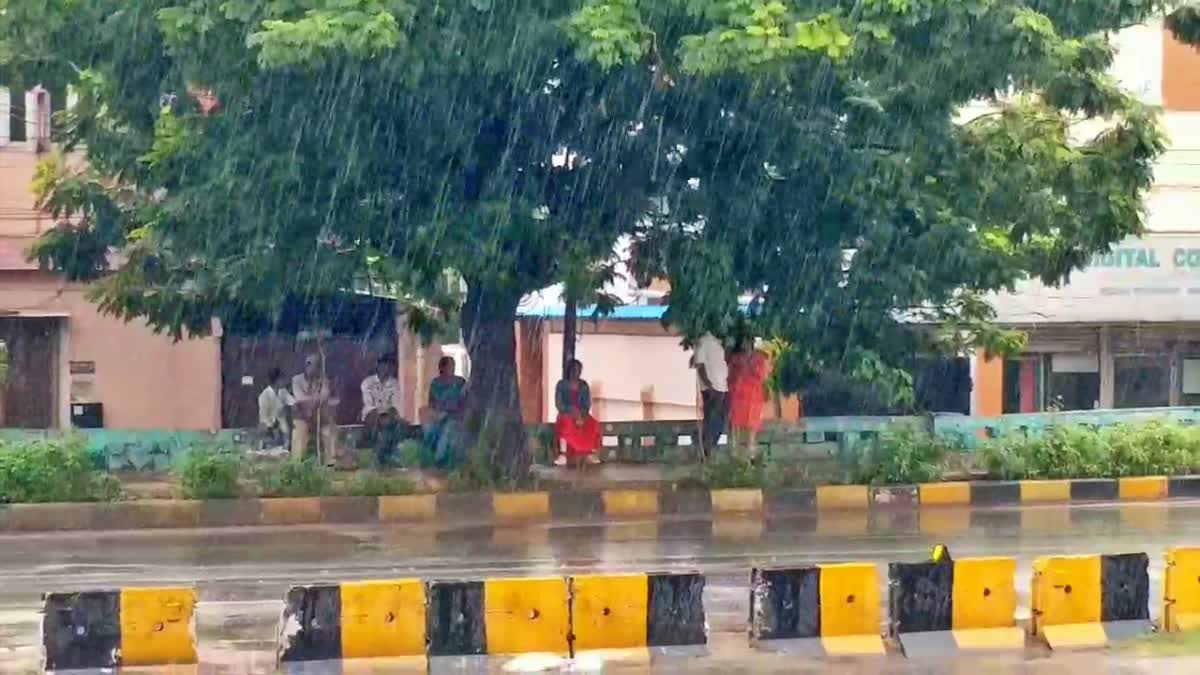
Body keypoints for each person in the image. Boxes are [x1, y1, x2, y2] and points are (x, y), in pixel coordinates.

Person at [291, 353, 340, 464]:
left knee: (330, 427)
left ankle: (331, 461)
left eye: (318, 365)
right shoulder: (296, 380)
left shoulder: (324, 380)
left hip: (319, 415)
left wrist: (313, 403)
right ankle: (297, 463)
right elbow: (300, 399)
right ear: (306, 365)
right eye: (312, 365)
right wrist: (315, 400)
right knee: (299, 430)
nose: (315, 368)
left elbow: (325, 396)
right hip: (302, 416)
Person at [727, 336, 771, 458]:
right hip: (738, 396)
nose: (745, 345)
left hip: (753, 397)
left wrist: (750, 367)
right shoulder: (736, 358)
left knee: (751, 429)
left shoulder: (759, 358)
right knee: (735, 428)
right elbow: (730, 375)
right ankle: (735, 456)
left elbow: (763, 376)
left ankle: (750, 457)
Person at [553, 359, 602, 466]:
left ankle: (590, 452)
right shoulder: (561, 385)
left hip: (581, 414)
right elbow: (559, 403)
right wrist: (571, 411)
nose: (576, 372)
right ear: (569, 371)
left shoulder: (583, 385)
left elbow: (587, 403)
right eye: (574, 370)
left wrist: (582, 415)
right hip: (566, 413)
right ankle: (563, 454)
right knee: (566, 424)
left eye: (578, 370)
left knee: (593, 424)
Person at [424, 356, 467, 470]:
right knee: (428, 428)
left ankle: (439, 460)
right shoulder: (436, 383)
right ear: (442, 368)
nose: (452, 368)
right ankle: (426, 457)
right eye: (449, 366)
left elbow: (464, 404)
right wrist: (436, 413)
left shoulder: (460, 383)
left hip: (455, 417)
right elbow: (432, 403)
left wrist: (449, 413)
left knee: (447, 432)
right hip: (438, 415)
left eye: (453, 366)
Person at [361, 355, 405, 466]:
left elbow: (395, 404)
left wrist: (387, 413)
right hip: (371, 414)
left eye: (387, 367)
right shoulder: (367, 382)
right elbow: (369, 403)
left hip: (389, 415)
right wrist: (381, 413)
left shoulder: (394, 383)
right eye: (382, 366)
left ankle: (389, 454)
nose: (385, 369)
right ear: (377, 367)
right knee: (378, 419)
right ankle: (385, 455)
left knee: (394, 421)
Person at [691, 331, 729, 457]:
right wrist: (708, 384)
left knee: (720, 421)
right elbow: (700, 365)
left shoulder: (721, 342)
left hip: (722, 387)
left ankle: (710, 449)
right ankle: (706, 450)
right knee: (712, 420)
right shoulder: (703, 341)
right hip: (712, 388)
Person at [257, 367, 294, 452]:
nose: (284, 381)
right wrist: (272, 425)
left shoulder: (283, 392)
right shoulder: (264, 395)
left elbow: (292, 402)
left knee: (284, 448)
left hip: (282, 425)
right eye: (282, 379)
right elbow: (263, 417)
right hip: (268, 428)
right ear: (276, 380)